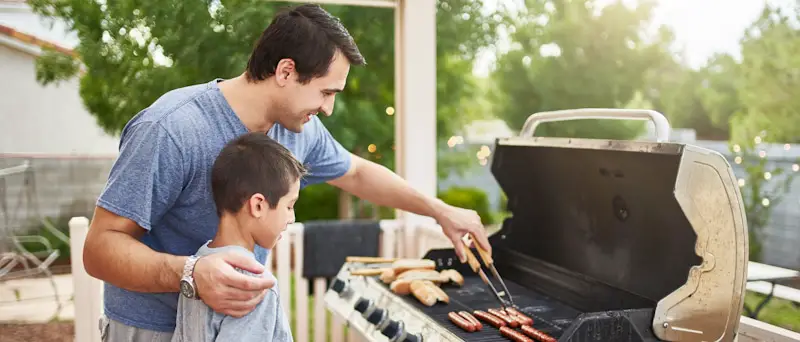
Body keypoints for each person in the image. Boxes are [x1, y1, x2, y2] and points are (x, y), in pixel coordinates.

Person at [86, 4, 490, 342]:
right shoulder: (172, 129)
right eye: (326, 92)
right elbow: (100, 248)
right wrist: (190, 273)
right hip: (151, 330)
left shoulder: (297, 129)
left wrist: (439, 211)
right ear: (285, 71)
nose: (329, 108)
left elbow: (357, 173)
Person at [171, 132, 304, 342]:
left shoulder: (198, 265)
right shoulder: (253, 285)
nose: (291, 218)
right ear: (258, 205)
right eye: (289, 206)